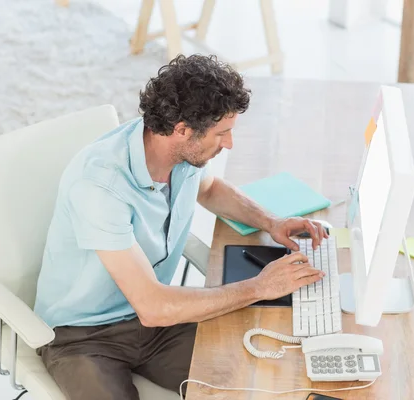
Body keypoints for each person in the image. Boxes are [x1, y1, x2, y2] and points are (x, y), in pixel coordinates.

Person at [33, 54, 328, 400]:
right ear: (183, 130)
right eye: (222, 133)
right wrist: (259, 287)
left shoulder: (181, 155)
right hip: (83, 335)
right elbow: (154, 305)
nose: (229, 144)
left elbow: (210, 189)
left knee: (252, 379)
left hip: (154, 323)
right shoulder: (101, 185)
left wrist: (271, 222)